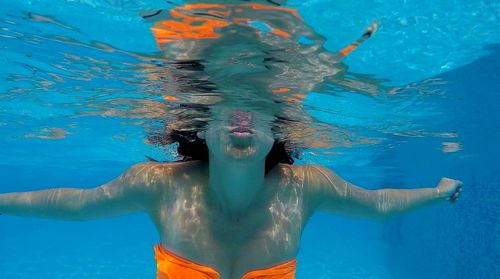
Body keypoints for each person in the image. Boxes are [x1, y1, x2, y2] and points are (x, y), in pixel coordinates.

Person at [0, 106, 462, 279]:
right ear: (204, 126)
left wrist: (438, 193)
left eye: (256, 114)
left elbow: (378, 205)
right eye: (228, 112)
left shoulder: (304, 186)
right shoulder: (159, 183)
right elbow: (78, 205)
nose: (243, 119)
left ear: (273, 133)